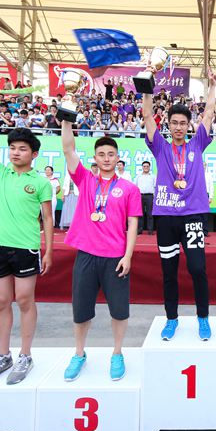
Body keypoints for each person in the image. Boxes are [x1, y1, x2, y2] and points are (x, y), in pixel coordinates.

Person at [0, 82, 54, 386]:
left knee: (25, 300)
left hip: (26, 248)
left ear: (34, 154)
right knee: (0, 301)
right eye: (13, 148)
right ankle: (3, 355)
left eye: (23, 149)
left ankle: (25, 355)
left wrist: (49, 251)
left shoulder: (40, 182)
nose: (16, 152)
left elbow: (48, 218)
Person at [60, 127, 141, 382]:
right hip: (86, 255)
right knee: (81, 309)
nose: (106, 158)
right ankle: (79, 353)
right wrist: (66, 122)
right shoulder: (85, 180)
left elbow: (133, 224)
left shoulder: (129, 188)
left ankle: (117, 353)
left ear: (118, 158)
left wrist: (128, 256)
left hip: (115, 258)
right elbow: (68, 149)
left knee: (119, 310)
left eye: (111, 154)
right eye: (101, 154)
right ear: (94, 158)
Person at [143, 70, 216, 340]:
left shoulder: (197, 144)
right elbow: (147, 116)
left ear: (188, 126)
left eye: (182, 123)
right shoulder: (160, 147)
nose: (178, 127)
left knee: (197, 269)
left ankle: (203, 318)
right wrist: (147, 87)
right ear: (168, 124)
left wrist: (212, 86)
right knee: (169, 272)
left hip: (194, 217)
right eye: (174, 122)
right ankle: (171, 319)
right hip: (166, 218)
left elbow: (209, 113)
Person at [134, 160, 156, 235]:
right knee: (140, 213)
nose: (146, 167)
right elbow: (135, 187)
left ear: (149, 167)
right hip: (140, 196)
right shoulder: (138, 176)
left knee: (150, 214)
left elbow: (155, 187)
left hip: (150, 196)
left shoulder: (153, 176)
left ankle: (150, 230)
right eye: (144, 166)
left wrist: (154, 196)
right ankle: (140, 229)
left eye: (147, 166)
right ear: (142, 167)